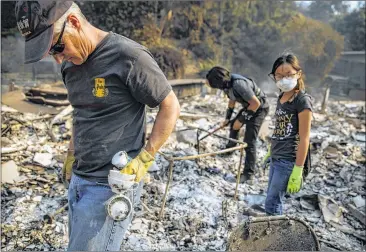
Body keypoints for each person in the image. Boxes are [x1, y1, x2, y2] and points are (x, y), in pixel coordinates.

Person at [15, 1, 180, 250]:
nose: (59, 60)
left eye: (58, 47)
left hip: (109, 186)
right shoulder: (70, 65)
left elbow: (170, 105)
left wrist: (146, 157)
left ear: (73, 22)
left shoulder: (128, 57)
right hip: (80, 179)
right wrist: (71, 154)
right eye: (52, 53)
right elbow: (82, 112)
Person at [263, 53, 313, 215]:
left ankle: (276, 236)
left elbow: (305, 137)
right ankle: (273, 231)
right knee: (271, 200)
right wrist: (271, 150)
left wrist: (298, 169)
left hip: (288, 160)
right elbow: (279, 128)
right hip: (277, 156)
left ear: (298, 74)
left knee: (272, 203)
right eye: (279, 75)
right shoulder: (281, 97)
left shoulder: (302, 100)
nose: (283, 79)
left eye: (288, 75)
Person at [206, 66, 269, 182]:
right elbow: (232, 100)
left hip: (260, 108)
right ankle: (230, 149)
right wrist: (227, 118)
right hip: (249, 106)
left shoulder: (239, 84)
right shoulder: (226, 85)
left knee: (249, 141)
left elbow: (256, 103)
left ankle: (248, 174)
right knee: (233, 125)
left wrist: (242, 120)